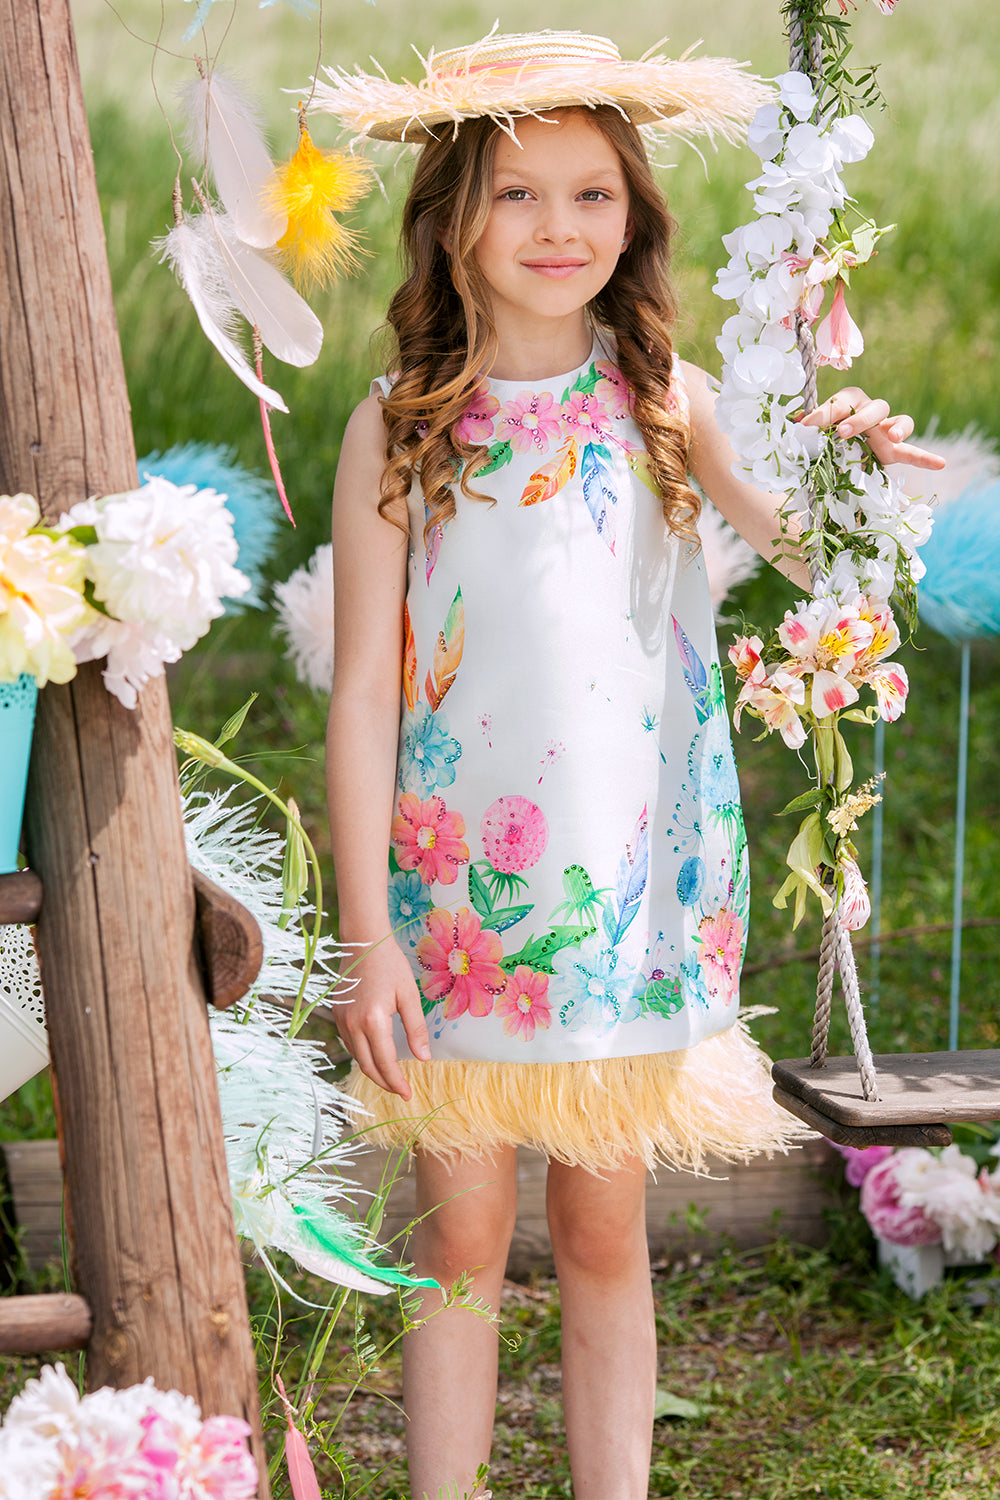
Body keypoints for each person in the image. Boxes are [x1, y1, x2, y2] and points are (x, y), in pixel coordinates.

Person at [321, 32, 943, 1500]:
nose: (559, 231)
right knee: (458, 1238)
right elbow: (361, 691)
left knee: (605, 1236)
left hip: (625, 903)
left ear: (634, 215)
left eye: (592, 196)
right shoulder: (403, 434)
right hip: (456, 902)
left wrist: (843, 464)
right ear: (455, 217)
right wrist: (369, 939)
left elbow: (810, 555)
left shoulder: (667, 399)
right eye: (520, 196)